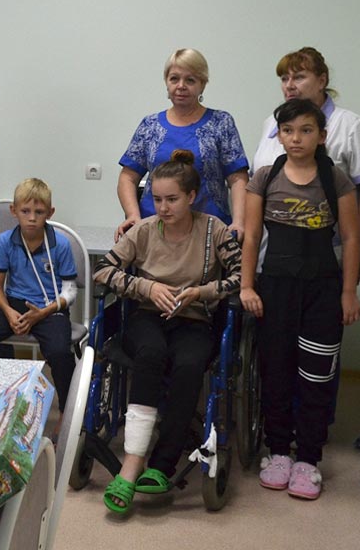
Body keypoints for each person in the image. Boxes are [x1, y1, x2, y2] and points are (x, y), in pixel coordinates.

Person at [94, 150, 242, 513]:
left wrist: (201, 292)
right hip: (147, 316)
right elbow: (103, 270)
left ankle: (162, 465)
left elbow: (241, 278)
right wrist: (147, 287)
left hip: (194, 319)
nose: (163, 208)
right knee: (151, 354)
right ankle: (132, 464)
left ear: (192, 196)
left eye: (172, 199)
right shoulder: (144, 230)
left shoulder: (215, 230)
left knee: (189, 365)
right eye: (157, 199)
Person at [241, 99, 360, 501]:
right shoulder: (264, 177)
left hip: (323, 289)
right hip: (275, 287)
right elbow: (252, 237)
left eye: (306, 130)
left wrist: (348, 292)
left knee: (316, 376)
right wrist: (246, 286)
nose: (296, 138)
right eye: (288, 130)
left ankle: (308, 458)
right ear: (279, 135)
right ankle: (278, 451)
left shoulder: (336, 178)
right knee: (275, 370)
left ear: (322, 136)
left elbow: (351, 239)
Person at [251, 47, 360, 279]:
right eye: (284, 78)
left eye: (299, 77)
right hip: (272, 252)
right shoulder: (271, 122)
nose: (289, 86)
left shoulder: (350, 125)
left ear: (322, 81)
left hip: (326, 251)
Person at [0, 178, 77, 411]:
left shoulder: (60, 244)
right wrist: (8, 312)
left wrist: (43, 313)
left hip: (50, 307)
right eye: (25, 211)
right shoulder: (6, 241)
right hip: (14, 304)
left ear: (50, 213)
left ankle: (66, 414)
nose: (32, 218)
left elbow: (70, 290)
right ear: (13, 211)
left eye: (39, 212)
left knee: (60, 354)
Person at [117, 47, 249, 239]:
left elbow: (237, 179)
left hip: (210, 232)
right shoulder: (150, 125)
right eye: (174, 79)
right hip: (154, 231)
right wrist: (133, 215)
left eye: (190, 80)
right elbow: (127, 177)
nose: (181, 86)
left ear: (202, 85)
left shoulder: (221, 123)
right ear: (166, 82)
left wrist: (239, 222)